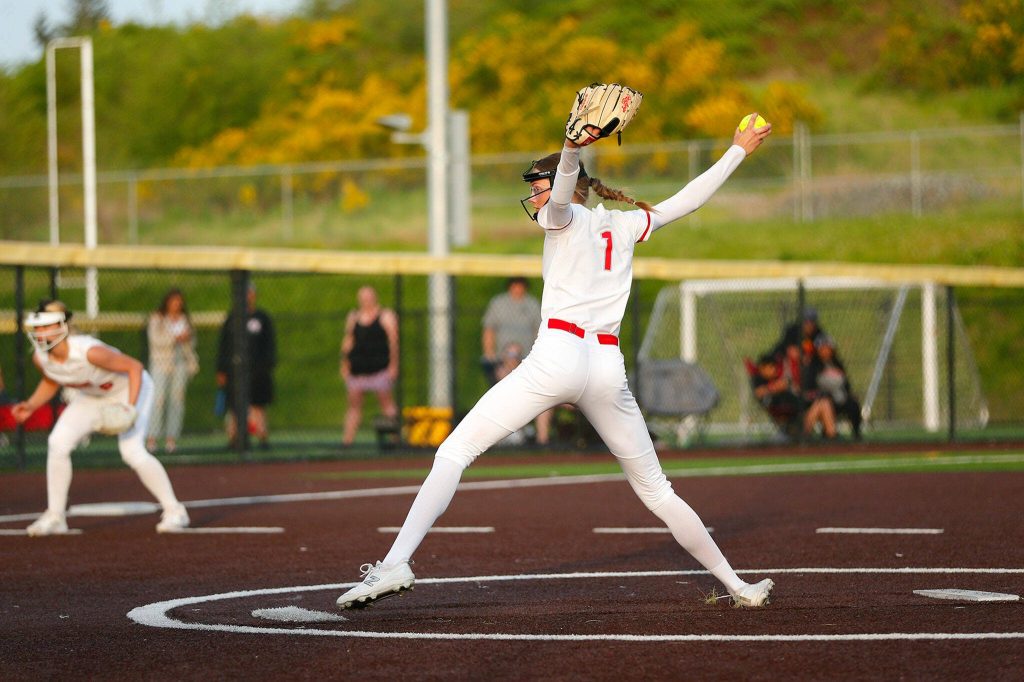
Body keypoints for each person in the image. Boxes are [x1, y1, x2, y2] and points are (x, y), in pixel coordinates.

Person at [336, 92, 775, 610]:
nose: (537, 198)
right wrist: (738, 150)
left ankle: (394, 564)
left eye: (537, 188)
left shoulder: (564, 218)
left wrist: (570, 145)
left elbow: (564, 193)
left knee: (454, 452)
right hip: (607, 367)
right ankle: (737, 586)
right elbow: (690, 199)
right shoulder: (626, 225)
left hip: (559, 356)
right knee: (657, 491)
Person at [12, 300, 189, 535]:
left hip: (131, 389)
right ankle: (55, 517)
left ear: (62, 327)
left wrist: (129, 408)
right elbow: (53, 378)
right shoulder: (40, 357)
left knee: (132, 451)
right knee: (58, 443)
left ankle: (176, 511)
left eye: (46, 327)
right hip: (93, 395)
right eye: (37, 328)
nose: (39, 333)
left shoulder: (89, 351)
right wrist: (32, 404)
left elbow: (134, 368)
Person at [481, 276, 551, 445]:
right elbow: (489, 329)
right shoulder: (499, 303)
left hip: (528, 360)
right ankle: (514, 433)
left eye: (521, 286)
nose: (518, 289)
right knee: (508, 389)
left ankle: (543, 439)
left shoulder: (532, 304)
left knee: (547, 397)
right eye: (515, 286)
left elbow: (540, 331)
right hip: (503, 361)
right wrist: (490, 352)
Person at [216, 283, 276, 449]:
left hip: (257, 371)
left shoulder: (262, 318)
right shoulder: (232, 319)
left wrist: (266, 366)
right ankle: (235, 439)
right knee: (235, 407)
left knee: (257, 405)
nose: (247, 297)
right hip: (235, 371)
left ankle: (262, 438)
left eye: (249, 293)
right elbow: (223, 346)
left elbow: (269, 345)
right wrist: (221, 370)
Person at [340, 285, 399, 446]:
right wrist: (345, 363)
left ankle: (395, 439)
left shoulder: (385, 316)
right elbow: (348, 341)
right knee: (353, 405)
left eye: (368, 297)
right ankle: (347, 442)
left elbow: (393, 342)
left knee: (386, 404)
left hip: (379, 368)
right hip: (358, 369)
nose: (365, 301)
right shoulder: (354, 317)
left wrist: (393, 366)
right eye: (363, 297)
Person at [146, 288, 198, 453]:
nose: (177, 304)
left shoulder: (185, 320)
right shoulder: (157, 318)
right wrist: (173, 338)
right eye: (174, 301)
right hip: (161, 363)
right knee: (158, 399)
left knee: (177, 400)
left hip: (180, 363)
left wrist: (186, 339)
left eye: (179, 301)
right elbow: (155, 340)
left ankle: (171, 438)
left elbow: (191, 341)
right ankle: (152, 438)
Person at [804, 335, 862, 440]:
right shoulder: (814, 366)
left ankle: (856, 434)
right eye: (823, 348)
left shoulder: (837, 364)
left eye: (828, 348)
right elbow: (809, 386)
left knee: (853, 404)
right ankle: (830, 434)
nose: (825, 351)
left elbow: (846, 384)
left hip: (840, 398)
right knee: (825, 401)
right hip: (824, 399)